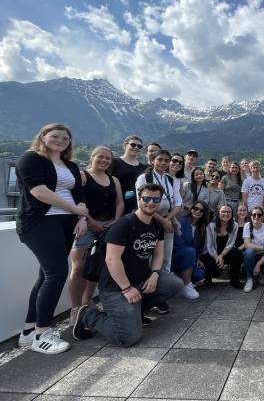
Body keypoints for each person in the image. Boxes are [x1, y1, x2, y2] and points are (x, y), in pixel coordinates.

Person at [72, 183, 183, 347]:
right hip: (116, 287)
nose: (151, 202)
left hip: (140, 281)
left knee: (174, 284)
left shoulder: (156, 225)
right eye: (146, 198)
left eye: (155, 199)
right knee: (128, 337)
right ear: (139, 198)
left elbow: (159, 254)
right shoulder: (124, 224)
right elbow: (111, 259)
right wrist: (126, 288)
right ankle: (88, 315)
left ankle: (135, 312)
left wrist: (155, 274)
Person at [16, 123, 88, 354]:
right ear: (43, 136)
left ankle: (28, 331)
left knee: (45, 275)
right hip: (39, 222)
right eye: (54, 136)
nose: (59, 140)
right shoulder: (31, 158)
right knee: (56, 274)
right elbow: (40, 192)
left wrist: (82, 217)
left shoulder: (71, 165)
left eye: (65, 138)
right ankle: (42, 334)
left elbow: (80, 195)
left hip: (66, 224)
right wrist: (76, 210)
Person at [69, 146, 124, 325]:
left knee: (97, 265)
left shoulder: (113, 179)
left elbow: (119, 203)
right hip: (85, 225)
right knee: (79, 266)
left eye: (108, 158)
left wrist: (116, 221)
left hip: (109, 225)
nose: (104, 161)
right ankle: (75, 308)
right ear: (92, 157)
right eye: (100, 157)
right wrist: (90, 221)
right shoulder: (83, 176)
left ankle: (87, 300)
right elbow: (75, 200)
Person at [136, 150, 183, 313]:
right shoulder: (144, 178)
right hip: (149, 221)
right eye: (160, 160)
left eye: (166, 160)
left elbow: (178, 203)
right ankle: (145, 295)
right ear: (153, 160)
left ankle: (160, 297)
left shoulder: (171, 179)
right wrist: (163, 221)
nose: (163, 163)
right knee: (147, 259)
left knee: (165, 259)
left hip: (167, 221)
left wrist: (168, 219)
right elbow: (142, 202)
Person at [171, 200, 211, 298]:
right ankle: (186, 285)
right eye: (195, 208)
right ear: (191, 209)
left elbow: (200, 248)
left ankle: (179, 278)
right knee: (190, 251)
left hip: (190, 259)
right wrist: (192, 258)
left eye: (201, 210)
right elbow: (178, 245)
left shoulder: (202, 227)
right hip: (176, 258)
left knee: (200, 275)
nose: (198, 211)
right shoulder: (181, 222)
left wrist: (197, 259)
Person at [201, 205, 244, 289]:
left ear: (232, 214)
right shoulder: (211, 226)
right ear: (218, 213)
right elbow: (209, 246)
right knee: (215, 272)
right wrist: (217, 257)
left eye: (228, 212)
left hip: (225, 252)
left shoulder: (234, 225)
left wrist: (221, 256)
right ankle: (208, 277)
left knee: (237, 253)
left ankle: (234, 278)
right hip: (211, 253)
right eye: (223, 211)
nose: (226, 213)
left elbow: (231, 244)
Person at [111, 135, 147, 214]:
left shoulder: (143, 167)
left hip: (136, 207)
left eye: (139, 146)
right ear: (125, 145)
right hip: (116, 205)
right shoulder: (114, 162)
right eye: (133, 144)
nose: (136, 147)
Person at [242, 206, 264, 292]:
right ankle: (250, 278)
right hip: (252, 254)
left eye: (259, 215)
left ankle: (259, 272)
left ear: (262, 217)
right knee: (249, 251)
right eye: (254, 215)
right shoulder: (247, 226)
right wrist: (263, 247)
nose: (256, 217)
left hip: (263, 256)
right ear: (251, 216)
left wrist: (258, 264)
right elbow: (247, 244)